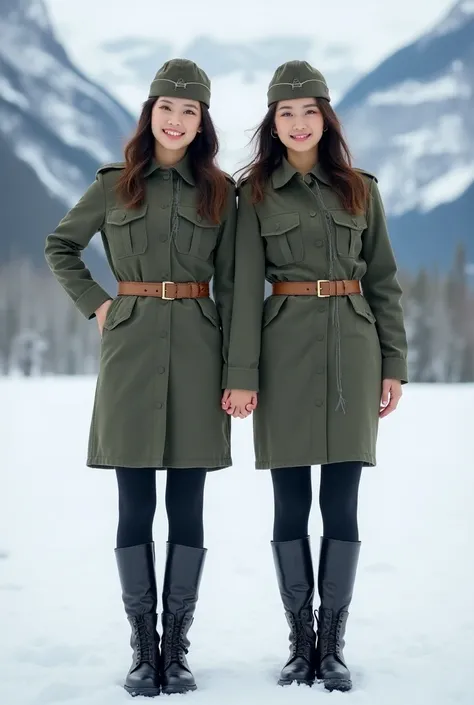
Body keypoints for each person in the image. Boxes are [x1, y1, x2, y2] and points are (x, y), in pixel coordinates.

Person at [45, 58, 236, 697]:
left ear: (201, 121)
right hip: (129, 351)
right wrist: (98, 304)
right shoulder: (114, 184)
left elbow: (235, 285)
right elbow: (60, 246)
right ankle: (141, 647)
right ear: (149, 113)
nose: (176, 120)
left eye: (189, 111)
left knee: (187, 503)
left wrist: (238, 368)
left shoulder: (221, 192)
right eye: (166, 108)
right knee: (135, 502)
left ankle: (175, 649)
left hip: (200, 351)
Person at [222, 60, 408, 692]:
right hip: (283, 349)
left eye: (309, 112)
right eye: (286, 113)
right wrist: (241, 374)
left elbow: (383, 281)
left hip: (354, 348)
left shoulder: (361, 187)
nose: (299, 124)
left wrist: (394, 363)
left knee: (342, 500)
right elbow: (244, 290)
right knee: (291, 500)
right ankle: (300, 641)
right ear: (273, 123)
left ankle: (332, 644)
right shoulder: (255, 193)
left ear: (326, 118)